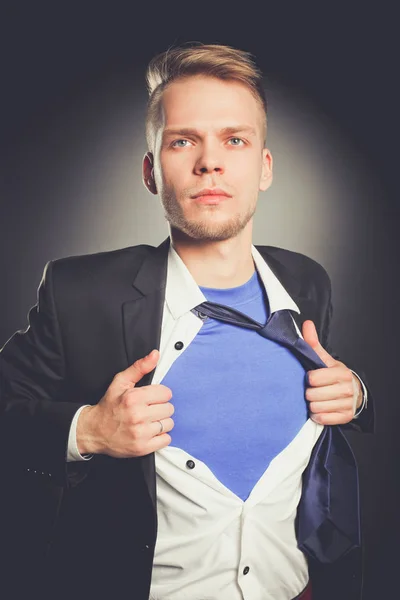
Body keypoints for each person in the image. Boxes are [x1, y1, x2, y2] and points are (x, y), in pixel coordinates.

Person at [0, 44, 373, 600]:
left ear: (264, 166)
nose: (210, 162)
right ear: (151, 172)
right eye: (183, 141)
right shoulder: (79, 293)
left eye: (235, 139)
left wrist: (358, 395)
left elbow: (333, 395)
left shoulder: (307, 281)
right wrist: (89, 430)